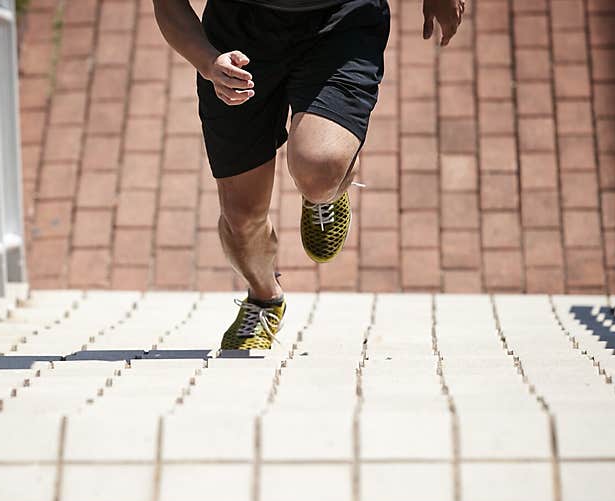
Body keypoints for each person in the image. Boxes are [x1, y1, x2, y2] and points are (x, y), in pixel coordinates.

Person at [154, 0, 466, 349]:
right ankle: (264, 298)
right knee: (242, 220)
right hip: (238, 33)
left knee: (318, 168)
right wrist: (208, 62)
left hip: (341, 23)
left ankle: (327, 189)